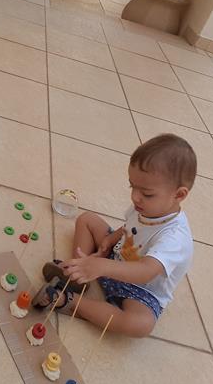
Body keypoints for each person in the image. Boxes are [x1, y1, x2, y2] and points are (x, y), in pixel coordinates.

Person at [32, 134, 196, 338]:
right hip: (116, 257)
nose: (135, 197)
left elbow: (146, 271)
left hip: (139, 289)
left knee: (140, 324)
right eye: (132, 186)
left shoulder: (175, 238)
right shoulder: (144, 206)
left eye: (146, 193)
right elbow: (130, 226)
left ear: (179, 195)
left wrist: (102, 266)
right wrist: (110, 240)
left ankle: (68, 300)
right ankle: (78, 274)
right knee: (87, 219)